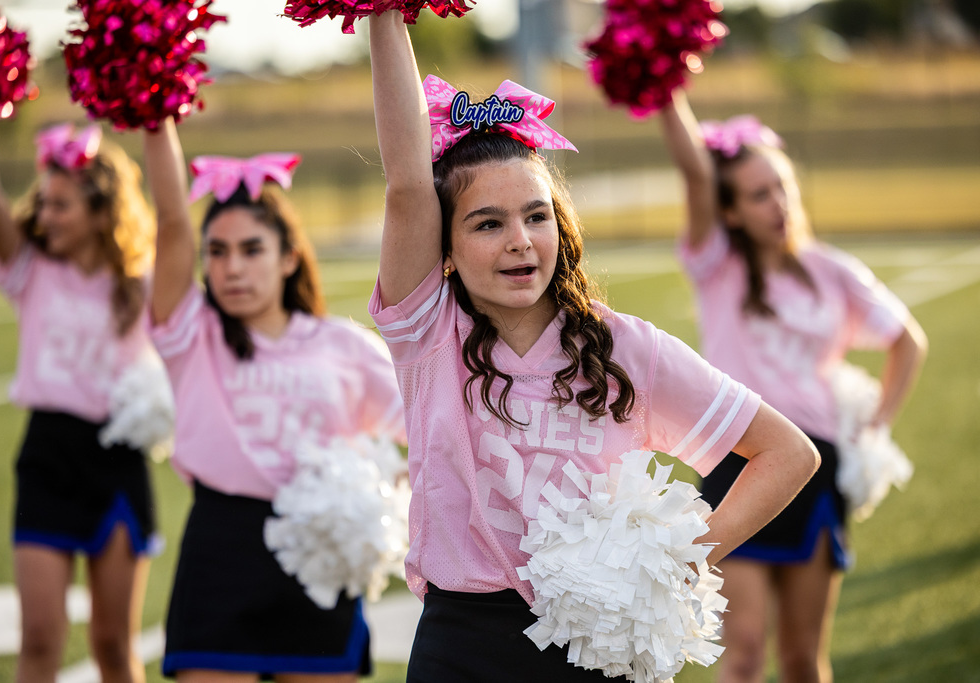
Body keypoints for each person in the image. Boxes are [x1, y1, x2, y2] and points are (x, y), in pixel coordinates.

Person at [365, 11, 820, 682]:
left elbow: (789, 453)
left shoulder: (626, 347)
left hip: (598, 644)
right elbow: (407, 183)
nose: (520, 241)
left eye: (537, 216)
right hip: (462, 644)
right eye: (487, 224)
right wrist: (384, 15)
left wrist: (676, 562)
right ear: (446, 249)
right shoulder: (429, 333)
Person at [659, 91, 928, 683]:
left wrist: (877, 427)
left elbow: (908, 341)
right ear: (731, 213)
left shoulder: (832, 269)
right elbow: (696, 175)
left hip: (816, 469)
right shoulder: (717, 266)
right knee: (745, 652)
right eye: (758, 195)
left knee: (804, 659)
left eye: (781, 187)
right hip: (737, 468)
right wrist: (664, 86)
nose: (778, 203)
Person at [142, 119, 406, 682]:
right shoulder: (192, 336)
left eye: (251, 249)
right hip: (221, 547)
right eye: (217, 252)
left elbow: (427, 429)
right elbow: (170, 221)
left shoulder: (344, 345)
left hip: (320, 548)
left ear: (289, 257)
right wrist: (155, 115)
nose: (232, 267)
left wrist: (387, 499)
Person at [0, 113, 158, 682]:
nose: (45, 216)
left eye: (61, 206)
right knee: (40, 638)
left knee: (113, 645)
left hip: (117, 461)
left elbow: (172, 224)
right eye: (43, 203)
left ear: (101, 212)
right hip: (48, 457)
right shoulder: (31, 269)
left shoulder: (138, 284)